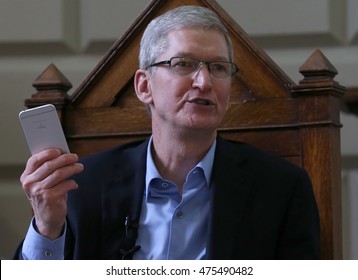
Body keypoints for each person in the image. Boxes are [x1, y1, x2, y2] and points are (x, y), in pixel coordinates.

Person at [14, 5, 320, 260]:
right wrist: (47, 227)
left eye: (218, 68)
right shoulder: (82, 187)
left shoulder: (280, 188)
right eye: (183, 64)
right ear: (144, 86)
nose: (204, 82)